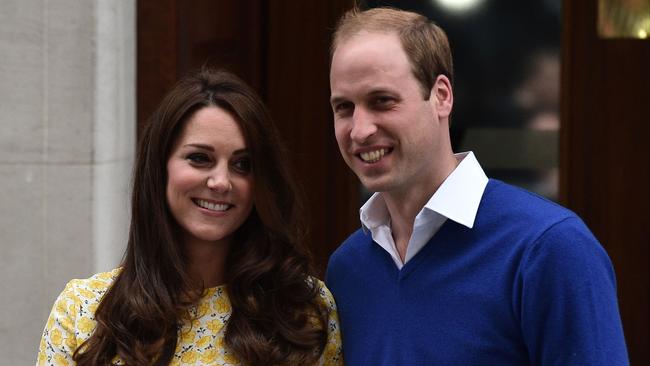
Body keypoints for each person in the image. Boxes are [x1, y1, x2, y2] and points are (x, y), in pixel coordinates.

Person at [325, 7, 628, 365]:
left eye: (382, 101)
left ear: (441, 96)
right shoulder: (348, 268)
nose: (359, 130)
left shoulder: (549, 248)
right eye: (344, 107)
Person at [37, 69, 343, 365]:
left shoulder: (304, 311)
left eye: (242, 164)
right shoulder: (83, 312)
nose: (221, 181)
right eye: (200, 158)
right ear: (160, 168)